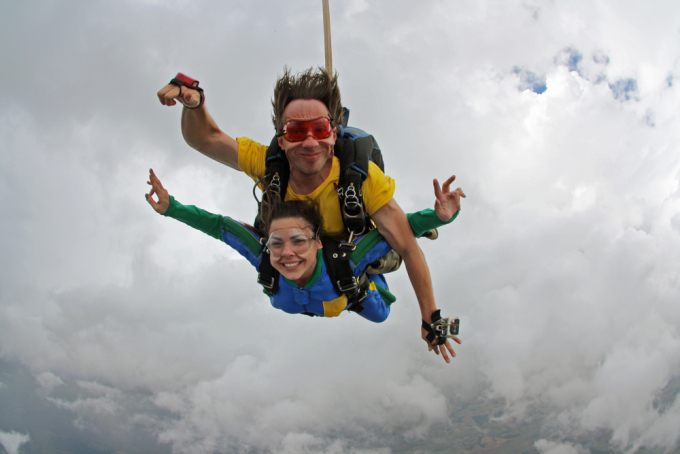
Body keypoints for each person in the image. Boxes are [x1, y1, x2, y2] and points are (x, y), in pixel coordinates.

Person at [156, 68, 466, 362]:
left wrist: (430, 316)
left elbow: (408, 248)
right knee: (289, 247)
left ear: (333, 134)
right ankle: (414, 225)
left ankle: (415, 226)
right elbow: (206, 140)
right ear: (282, 138)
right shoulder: (268, 164)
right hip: (298, 244)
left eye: (320, 129)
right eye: (296, 130)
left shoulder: (363, 179)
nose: (309, 141)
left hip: (355, 244)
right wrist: (194, 103)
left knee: (388, 246)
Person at [146, 169, 461, 332]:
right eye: (276, 243)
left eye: (298, 241)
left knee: (382, 310)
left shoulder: (345, 263)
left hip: (349, 289)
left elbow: (404, 228)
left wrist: (440, 217)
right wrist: (170, 207)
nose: (286, 254)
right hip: (328, 297)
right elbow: (220, 226)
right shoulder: (263, 256)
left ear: (318, 242)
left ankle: (374, 272)